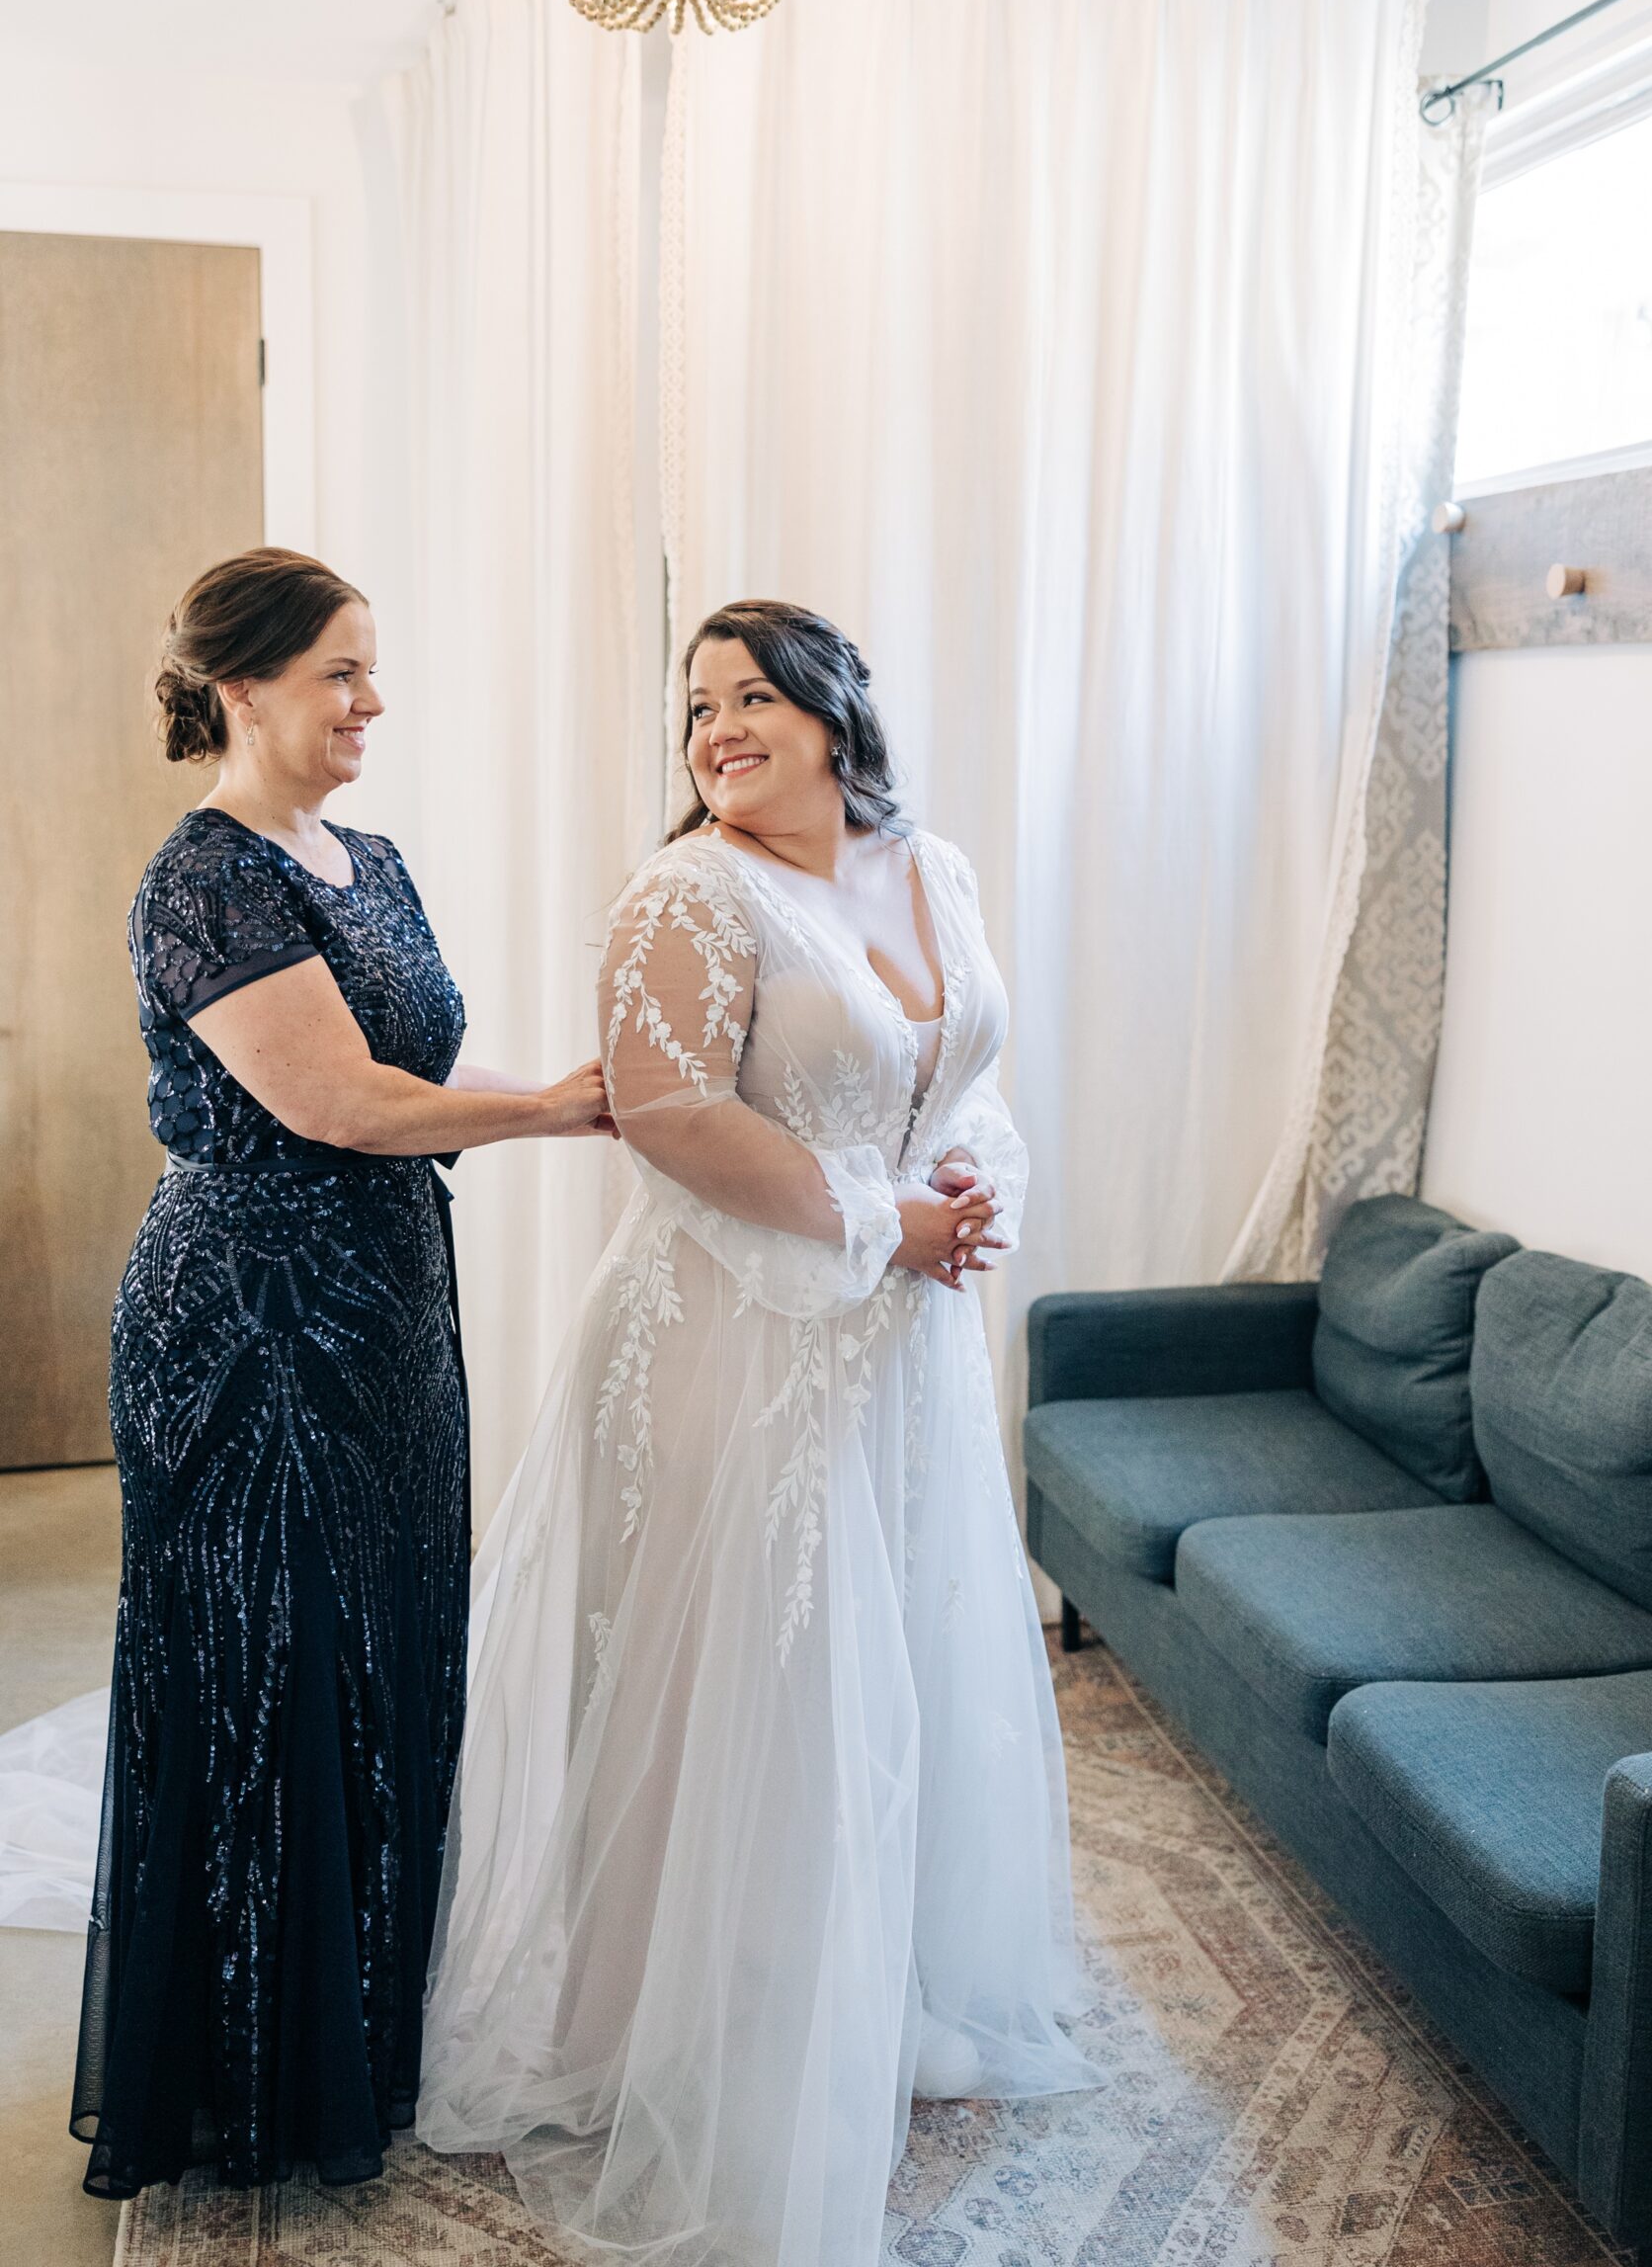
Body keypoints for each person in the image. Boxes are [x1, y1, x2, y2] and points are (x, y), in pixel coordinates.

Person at [418, 599, 1097, 2265]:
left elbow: (967, 1070)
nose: (716, 731)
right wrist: (882, 1222)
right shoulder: (688, 893)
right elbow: (666, 1114)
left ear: (832, 711)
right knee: (750, 1690)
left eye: (749, 699)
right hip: (731, 1347)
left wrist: (975, 1186)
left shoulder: (930, 867)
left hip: (902, 1353)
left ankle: (882, 1993)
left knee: (898, 1677)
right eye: (695, 709)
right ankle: (695, 2042)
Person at [73, 546, 613, 2200]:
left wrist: (605, 1100)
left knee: (384, 1656)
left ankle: (365, 2034)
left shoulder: (366, 858)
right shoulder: (208, 877)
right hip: (246, 1321)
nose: (373, 703)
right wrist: (554, 1114)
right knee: (270, 1672)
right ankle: (250, 2075)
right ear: (241, 686)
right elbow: (337, 1105)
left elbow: (415, 1069)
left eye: (374, 671)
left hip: (381, 1305)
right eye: (341, 674)